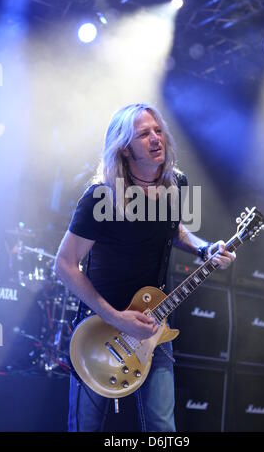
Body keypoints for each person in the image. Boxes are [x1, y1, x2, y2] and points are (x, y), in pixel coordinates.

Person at [54, 103, 236, 432]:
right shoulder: (100, 197)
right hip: (100, 328)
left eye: (158, 130)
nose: (156, 138)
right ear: (125, 148)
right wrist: (114, 316)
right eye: (144, 134)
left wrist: (204, 248)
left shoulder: (176, 184)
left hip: (154, 323)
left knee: (162, 427)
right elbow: (65, 264)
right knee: (85, 427)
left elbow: (174, 228)